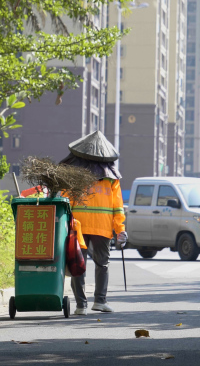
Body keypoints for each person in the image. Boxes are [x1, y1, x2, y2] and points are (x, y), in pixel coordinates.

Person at [59, 131, 127, 315]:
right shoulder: (112, 178)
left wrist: (64, 227)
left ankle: (81, 306)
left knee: (77, 264)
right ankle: (100, 302)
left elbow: (65, 201)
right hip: (103, 228)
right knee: (102, 265)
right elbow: (118, 207)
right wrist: (120, 230)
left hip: (78, 227)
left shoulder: (74, 175)